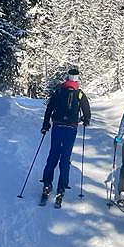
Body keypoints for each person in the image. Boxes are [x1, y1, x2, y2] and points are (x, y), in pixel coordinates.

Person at [40, 67, 91, 206]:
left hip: (57, 126)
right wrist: (86, 120)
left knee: (53, 154)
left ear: (67, 78)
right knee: (65, 157)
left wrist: (45, 125)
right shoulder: (80, 94)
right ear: (78, 79)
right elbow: (87, 111)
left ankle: (46, 184)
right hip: (71, 129)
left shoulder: (59, 91)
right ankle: (61, 188)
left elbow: (49, 108)